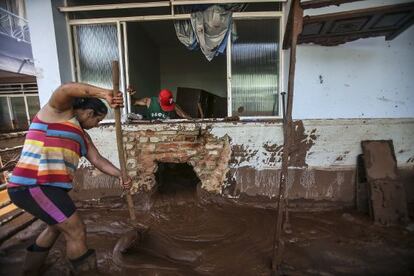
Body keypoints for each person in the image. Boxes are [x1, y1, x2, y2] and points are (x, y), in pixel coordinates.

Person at [7, 82, 132, 275]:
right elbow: (65, 89)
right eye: (98, 121)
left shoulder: (82, 136)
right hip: (34, 184)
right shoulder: (57, 112)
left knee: (56, 227)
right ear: (90, 113)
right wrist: (104, 93)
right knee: (76, 230)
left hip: (47, 188)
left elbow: (98, 160)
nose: (96, 126)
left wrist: (120, 175)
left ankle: (30, 270)